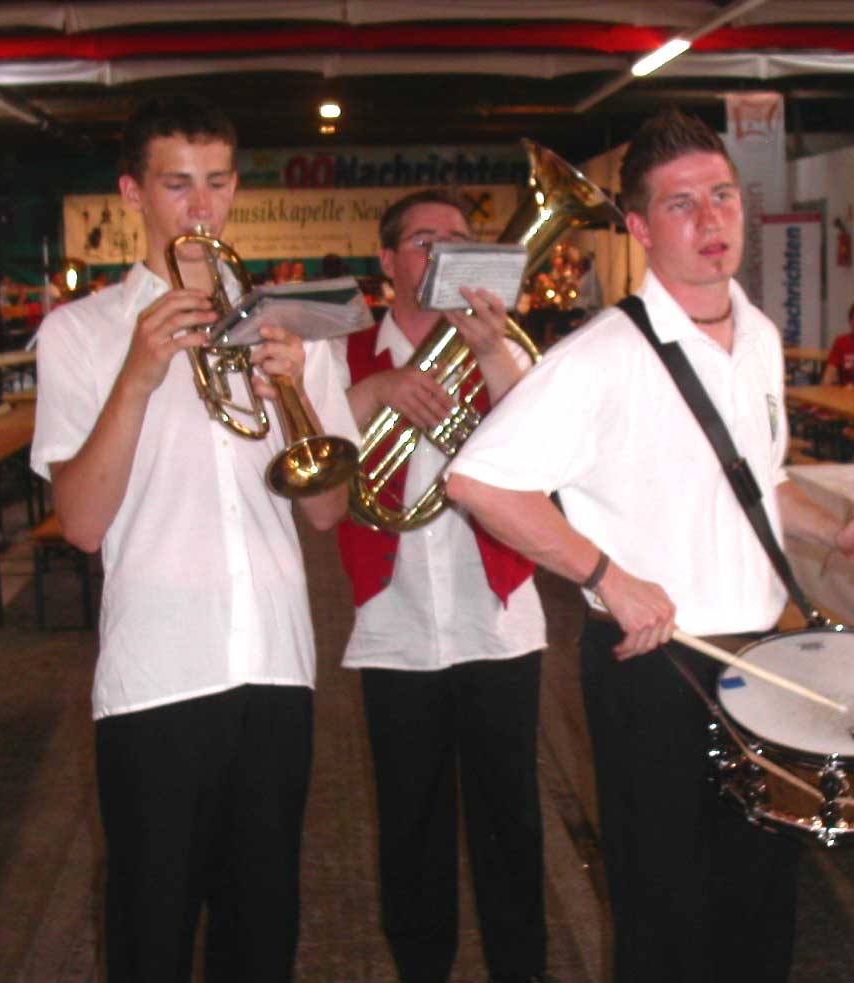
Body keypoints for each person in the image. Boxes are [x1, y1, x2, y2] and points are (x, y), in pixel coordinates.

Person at [443, 108, 854, 983]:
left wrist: (834, 528)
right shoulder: (602, 353)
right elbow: (478, 481)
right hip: (654, 667)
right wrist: (605, 574)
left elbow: (757, 478)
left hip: (762, 660)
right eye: (681, 204)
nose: (709, 221)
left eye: (723, 196)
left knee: (760, 911)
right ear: (639, 228)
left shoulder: (761, 338)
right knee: (663, 922)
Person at [29, 94, 358, 983]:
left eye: (216, 184)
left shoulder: (291, 325)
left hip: (277, 666)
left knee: (264, 929)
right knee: (150, 929)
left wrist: (297, 393)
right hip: (155, 673)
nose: (200, 209)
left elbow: (326, 511)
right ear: (133, 191)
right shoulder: (80, 333)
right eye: (177, 185)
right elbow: (85, 525)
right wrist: (138, 375)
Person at [338, 189, 550, 983]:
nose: (442, 252)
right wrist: (376, 395)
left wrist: (492, 353)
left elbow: (542, 461)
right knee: (410, 829)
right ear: (388, 262)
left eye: (458, 239)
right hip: (393, 626)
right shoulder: (347, 356)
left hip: (496, 621)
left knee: (512, 826)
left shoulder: (505, 345)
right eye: (423, 240)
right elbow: (318, 477)